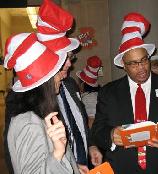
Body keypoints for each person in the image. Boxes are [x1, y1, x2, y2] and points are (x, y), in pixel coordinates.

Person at [91, 12, 158, 174]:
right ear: (123, 66)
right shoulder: (109, 93)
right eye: (133, 64)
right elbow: (97, 130)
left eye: (144, 60)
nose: (141, 68)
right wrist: (111, 134)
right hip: (123, 168)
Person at [36, 0, 102, 171]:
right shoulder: (29, 98)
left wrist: (91, 146)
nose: (69, 64)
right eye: (64, 58)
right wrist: (72, 165)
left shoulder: (70, 84)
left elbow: (79, 122)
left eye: (69, 57)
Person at [3, 32, 80, 174]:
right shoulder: (29, 123)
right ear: (45, 81)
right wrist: (58, 154)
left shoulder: (39, 113)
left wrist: (73, 167)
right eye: (56, 72)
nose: (60, 78)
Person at [76, 55, 102, 128]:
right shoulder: (95, 94)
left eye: (79, 82)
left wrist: (89, 138)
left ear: (83, 84)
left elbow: (91, 120)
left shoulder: (89, 98)